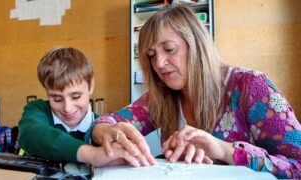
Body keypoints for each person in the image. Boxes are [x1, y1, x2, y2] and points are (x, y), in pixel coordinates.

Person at [92, 4, 301, 178]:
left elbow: (297, 165)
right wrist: (107, 132)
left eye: (169, 49)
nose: (159, 63)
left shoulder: (252, 86)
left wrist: (225, 151)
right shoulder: (161, 98)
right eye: (151, 55)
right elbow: (105, 122)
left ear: (196, 44)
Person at [18, 46, 146, 167]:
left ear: (91, 85)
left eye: (76, 97)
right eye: (57, 98)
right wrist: (91, 154)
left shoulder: (101, 130)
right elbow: (29, 134)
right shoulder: (37, 110)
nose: (67, 108)